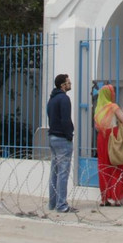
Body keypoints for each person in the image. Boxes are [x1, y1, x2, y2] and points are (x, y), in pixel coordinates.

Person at [94, 83, 123, 206]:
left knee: (104, 167)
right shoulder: (113, 106)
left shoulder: (98, 108)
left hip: (102, 138)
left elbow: (97, 126)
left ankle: (105, 198)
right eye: (113, 92)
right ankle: (116, 197)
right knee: (117, 164)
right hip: (113, 136)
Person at [46, 73, 77, 213]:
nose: (70, 84)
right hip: (62, 138)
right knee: (63, 173)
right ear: (63, 85)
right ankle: (62, 205)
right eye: (68, 82)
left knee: (55, 172)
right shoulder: (64, 98)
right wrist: (69, 135)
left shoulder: (51, 99)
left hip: (52, 137)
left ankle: (52, 203)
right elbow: (65, 119)